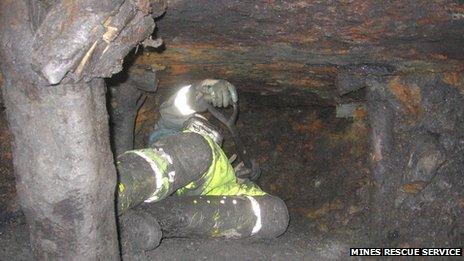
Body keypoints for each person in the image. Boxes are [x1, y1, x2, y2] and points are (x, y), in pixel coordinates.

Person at [115, 79, 289, 252]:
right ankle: (114, 196)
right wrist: (200, 89)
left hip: (208, 188)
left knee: (275, 214)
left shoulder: (218, 154)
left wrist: (242, 174)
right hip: (167, 169)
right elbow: (172, 109)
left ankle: (149, 219)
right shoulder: (174, 127)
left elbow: (226, 175)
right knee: (197, 150)